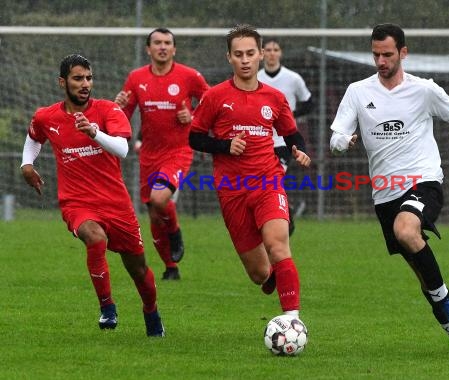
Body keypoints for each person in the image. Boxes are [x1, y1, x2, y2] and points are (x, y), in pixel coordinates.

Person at [329, 23, 449, 356]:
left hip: (423, 180)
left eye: (387, 54)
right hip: (384, 193)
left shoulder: (424, 90)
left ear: (403, 53)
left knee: (406, 228)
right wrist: (342, 141)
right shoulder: (358, 91)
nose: (381, 61)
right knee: (422, 274)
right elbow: (337, 134)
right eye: (376, 55)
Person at [21, 54, 164, 337]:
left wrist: (94, 132)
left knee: (139, 270)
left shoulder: (109, 111)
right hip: (76, 203)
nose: (85, 84)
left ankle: (151, 311)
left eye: (88, 78)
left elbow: (122, 149)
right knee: (94, 237)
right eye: (77, 78)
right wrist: (26, 164)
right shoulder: (46, 116)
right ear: (63, 82)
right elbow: (34, 137)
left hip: (116, 204)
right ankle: (107, 308)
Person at [189, 24, 310, 318]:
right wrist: (225, 145)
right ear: (229, 58)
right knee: (258, 273)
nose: (245, 59)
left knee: (278, 244)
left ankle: (292, 320)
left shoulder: (275, 97)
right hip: (232, 190)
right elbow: (194, 137)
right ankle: (270, 278)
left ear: (260, 56)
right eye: (238, 54)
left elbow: (291, 133)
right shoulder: (215, 96)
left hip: (268, 181)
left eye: (250, 53)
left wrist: (299, 149)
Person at [115, 27, 210, 280]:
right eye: (157, 42)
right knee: (154, 213)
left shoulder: (189, 76)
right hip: (148, 154)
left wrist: (192, 116)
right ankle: (170, 267)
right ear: (148, 49)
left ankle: (176, 231)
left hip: (179, 151)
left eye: (167, 42)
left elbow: (213, 104)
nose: (162, 47)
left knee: (159, 199)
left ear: (174, 48)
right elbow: (123, 117)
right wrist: (117, 107)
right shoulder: (136, 78)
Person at [258, 38, 313, 236]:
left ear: (280, 53)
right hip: (259, 141)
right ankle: (274, 216)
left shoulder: (293, 78)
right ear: (262, 54)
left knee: (273, 180)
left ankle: (283, 218)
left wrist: (289, 117)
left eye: (276, 49)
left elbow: (308, 102)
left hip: (283, 141)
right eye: (268, 50)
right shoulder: (255, 78)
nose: (272, 53)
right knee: (261, 184)